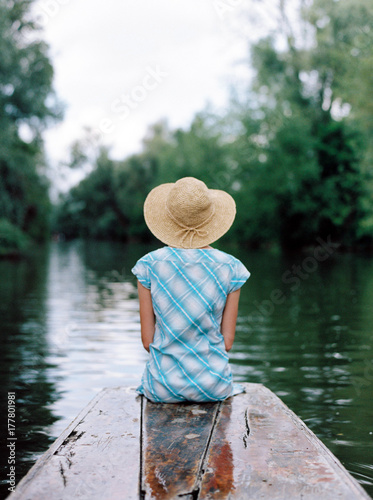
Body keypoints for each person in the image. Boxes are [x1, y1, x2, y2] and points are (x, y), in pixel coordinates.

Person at [132, 177, 250, 403]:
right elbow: (227, 343)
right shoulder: (231, 267)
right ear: (210, 218)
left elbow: (148, 341)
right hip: (214, 387)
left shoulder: (149, 265)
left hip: (162, 389)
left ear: (168, 218)